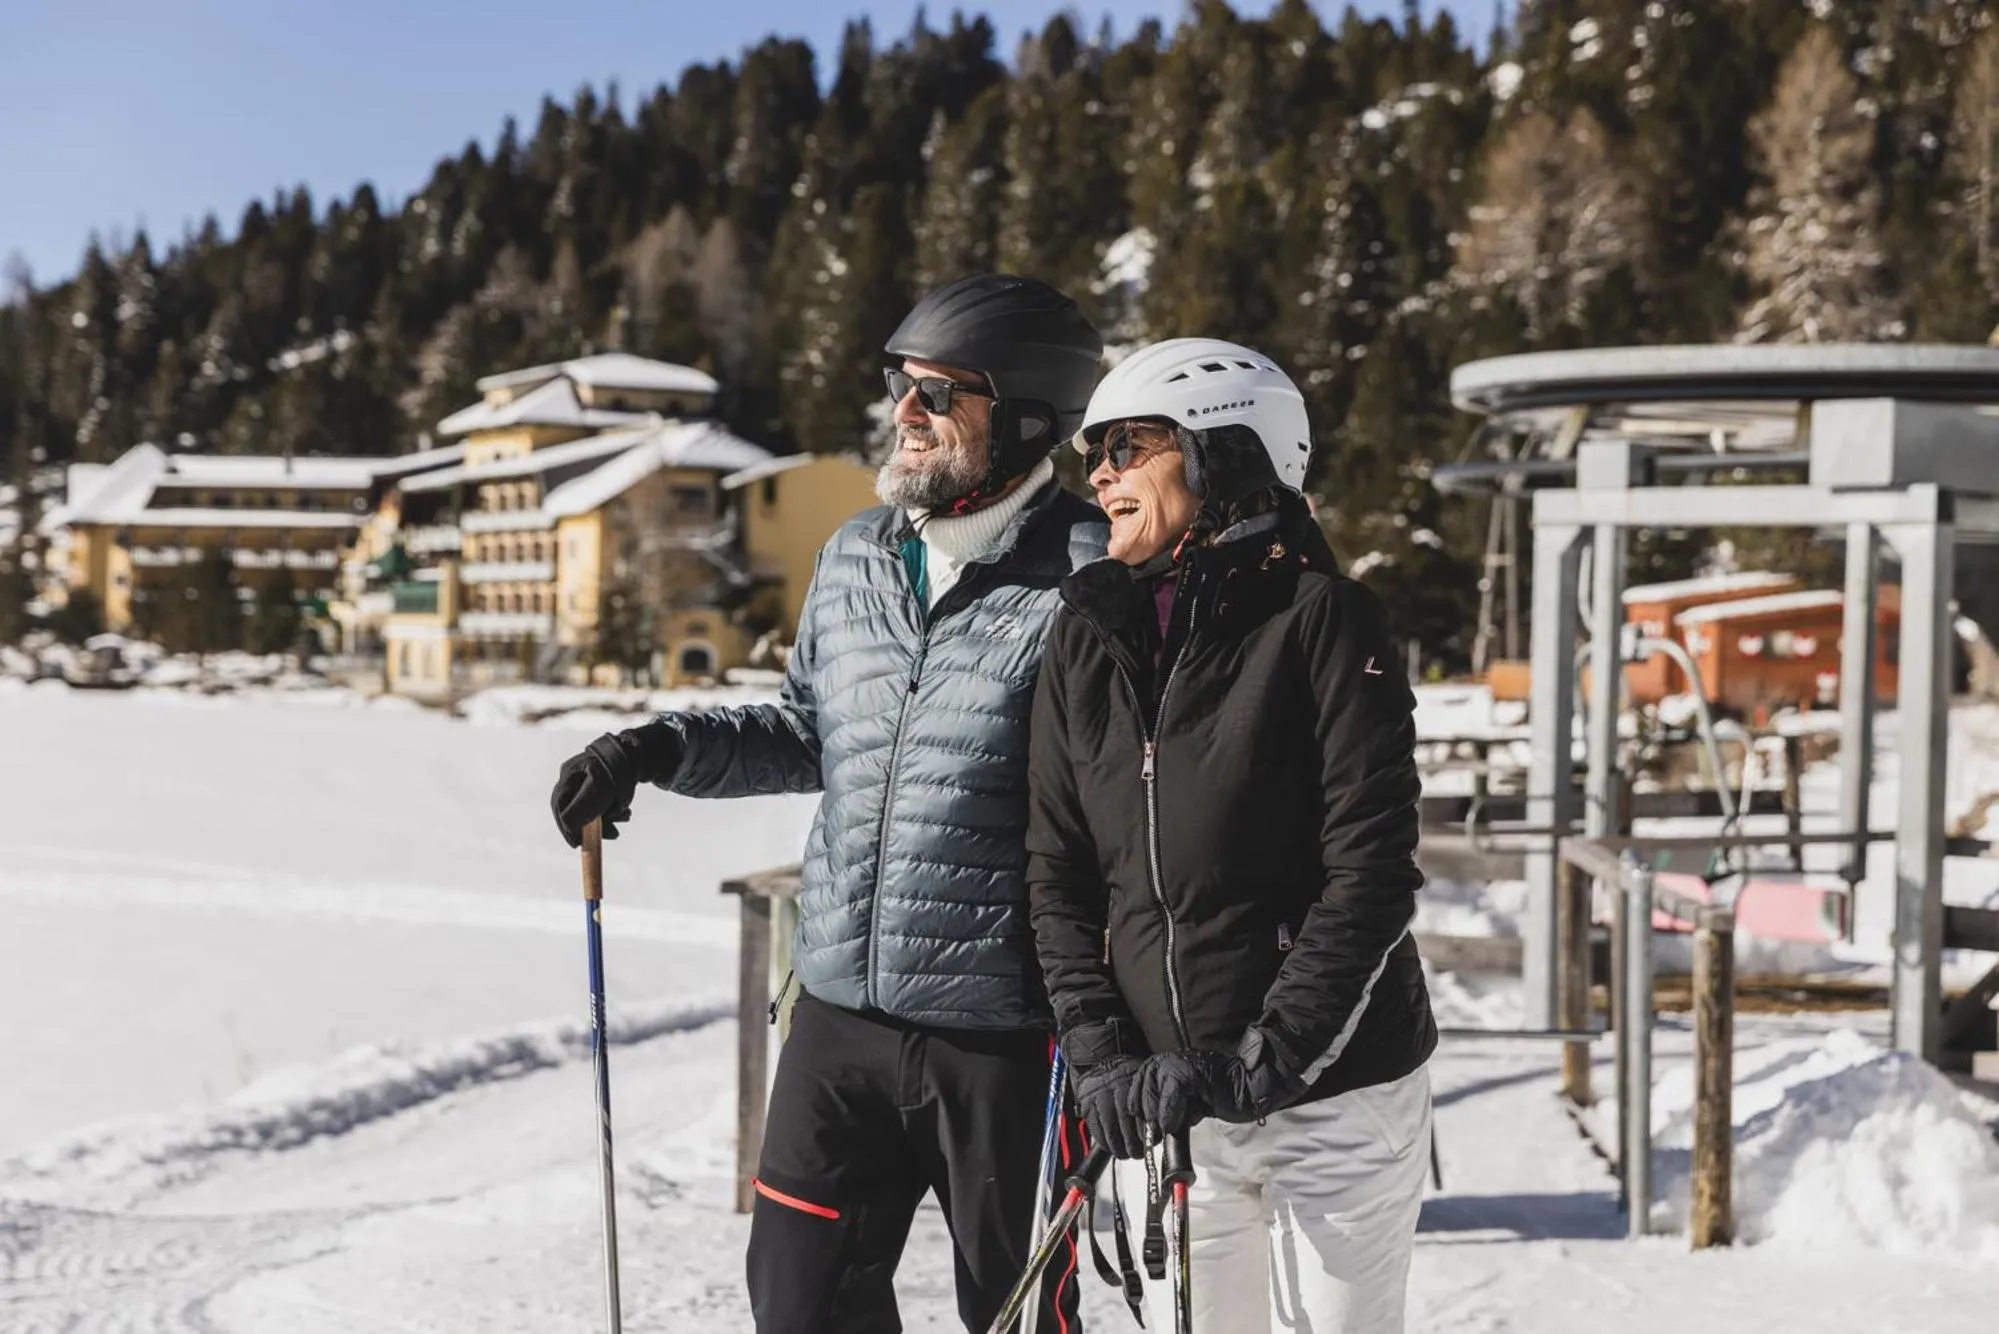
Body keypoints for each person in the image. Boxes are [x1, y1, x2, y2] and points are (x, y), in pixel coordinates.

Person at [549, 273, 1107, 1333]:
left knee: (1021, 1317)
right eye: (900, 384)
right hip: (839, 1012)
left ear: (1028, 415)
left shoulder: (1090, 576)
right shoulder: (857, 555)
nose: (904, 412)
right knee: (799, 1304)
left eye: (940, 393)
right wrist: (655, 747)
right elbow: (809, 728)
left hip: (1008, 1038)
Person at [1025, 338, 1437, 1333]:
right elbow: (1058, 871)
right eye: (1094, 454)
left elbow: (1370, 871)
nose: (1101, 473)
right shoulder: (1086, 637)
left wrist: (1260, 1060)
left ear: (1224, 453)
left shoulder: (1324, 622)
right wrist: (1101, 1057)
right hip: (1171, 1110)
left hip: (1330, 1095)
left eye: (1127, 444)